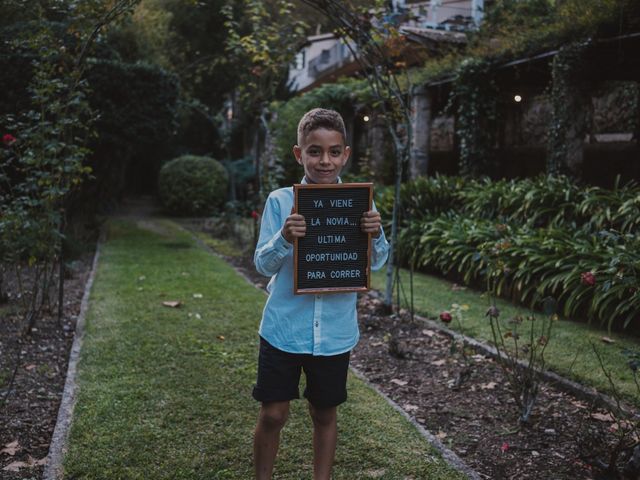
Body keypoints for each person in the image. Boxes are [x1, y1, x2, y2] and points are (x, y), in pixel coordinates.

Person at [252, 108, 390, 479]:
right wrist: (284, 237)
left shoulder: (362, 201)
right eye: (314, 151)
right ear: (299, 154)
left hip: (333, 332)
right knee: (273, 413)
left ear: (345, 154)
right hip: (284, 326)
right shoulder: (282, 201)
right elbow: (262, 265)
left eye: (333, 152)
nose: (324, 160)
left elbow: (377, 262)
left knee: (324, 412)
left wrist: (375, 234)